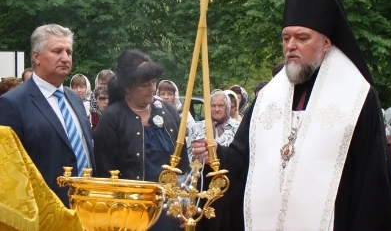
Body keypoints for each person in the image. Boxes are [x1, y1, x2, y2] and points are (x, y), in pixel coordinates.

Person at [192, 0, 391, 230]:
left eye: (302, 38)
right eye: (286, 38)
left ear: (326, 43)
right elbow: (243, 159)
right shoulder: (269, 97)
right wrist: (216, 155)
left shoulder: (357, 98)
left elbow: (371, 185)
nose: (291, 46)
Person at [93, 49, 189, 231]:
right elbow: (105, 171)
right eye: (145, 84)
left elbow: (183, 165)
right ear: (127, 87)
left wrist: (186, 204)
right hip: (130, 215)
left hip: (170, 214)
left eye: (153, 82)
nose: (152, 88)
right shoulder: (112, 118)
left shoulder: (168, 112)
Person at [0, 24, 95, 207]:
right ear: (36, 56)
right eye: (57, 51)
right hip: (44, 212)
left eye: (69, 52)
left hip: (87, 207)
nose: (65, 58)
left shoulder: (74, 99)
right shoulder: (13, 103)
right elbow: (10, 170)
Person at [188, 89, 240, 160]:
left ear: (227, 107)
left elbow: (240, 156)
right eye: (213, 105)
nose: (216, 109)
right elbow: (188, 155)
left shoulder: (238, 128)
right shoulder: (196, 127)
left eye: (221, 105)